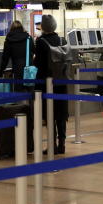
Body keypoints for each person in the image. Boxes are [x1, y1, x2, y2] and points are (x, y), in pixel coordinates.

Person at [34, 14, 70, 155]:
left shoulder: (41, 41)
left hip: (46, 83)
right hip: (61, 82)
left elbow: (38, 63)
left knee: (50, 115)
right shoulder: (62, 39)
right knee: (61, 114)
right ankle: (62, 144)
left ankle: (52, 145)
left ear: (43, 26)